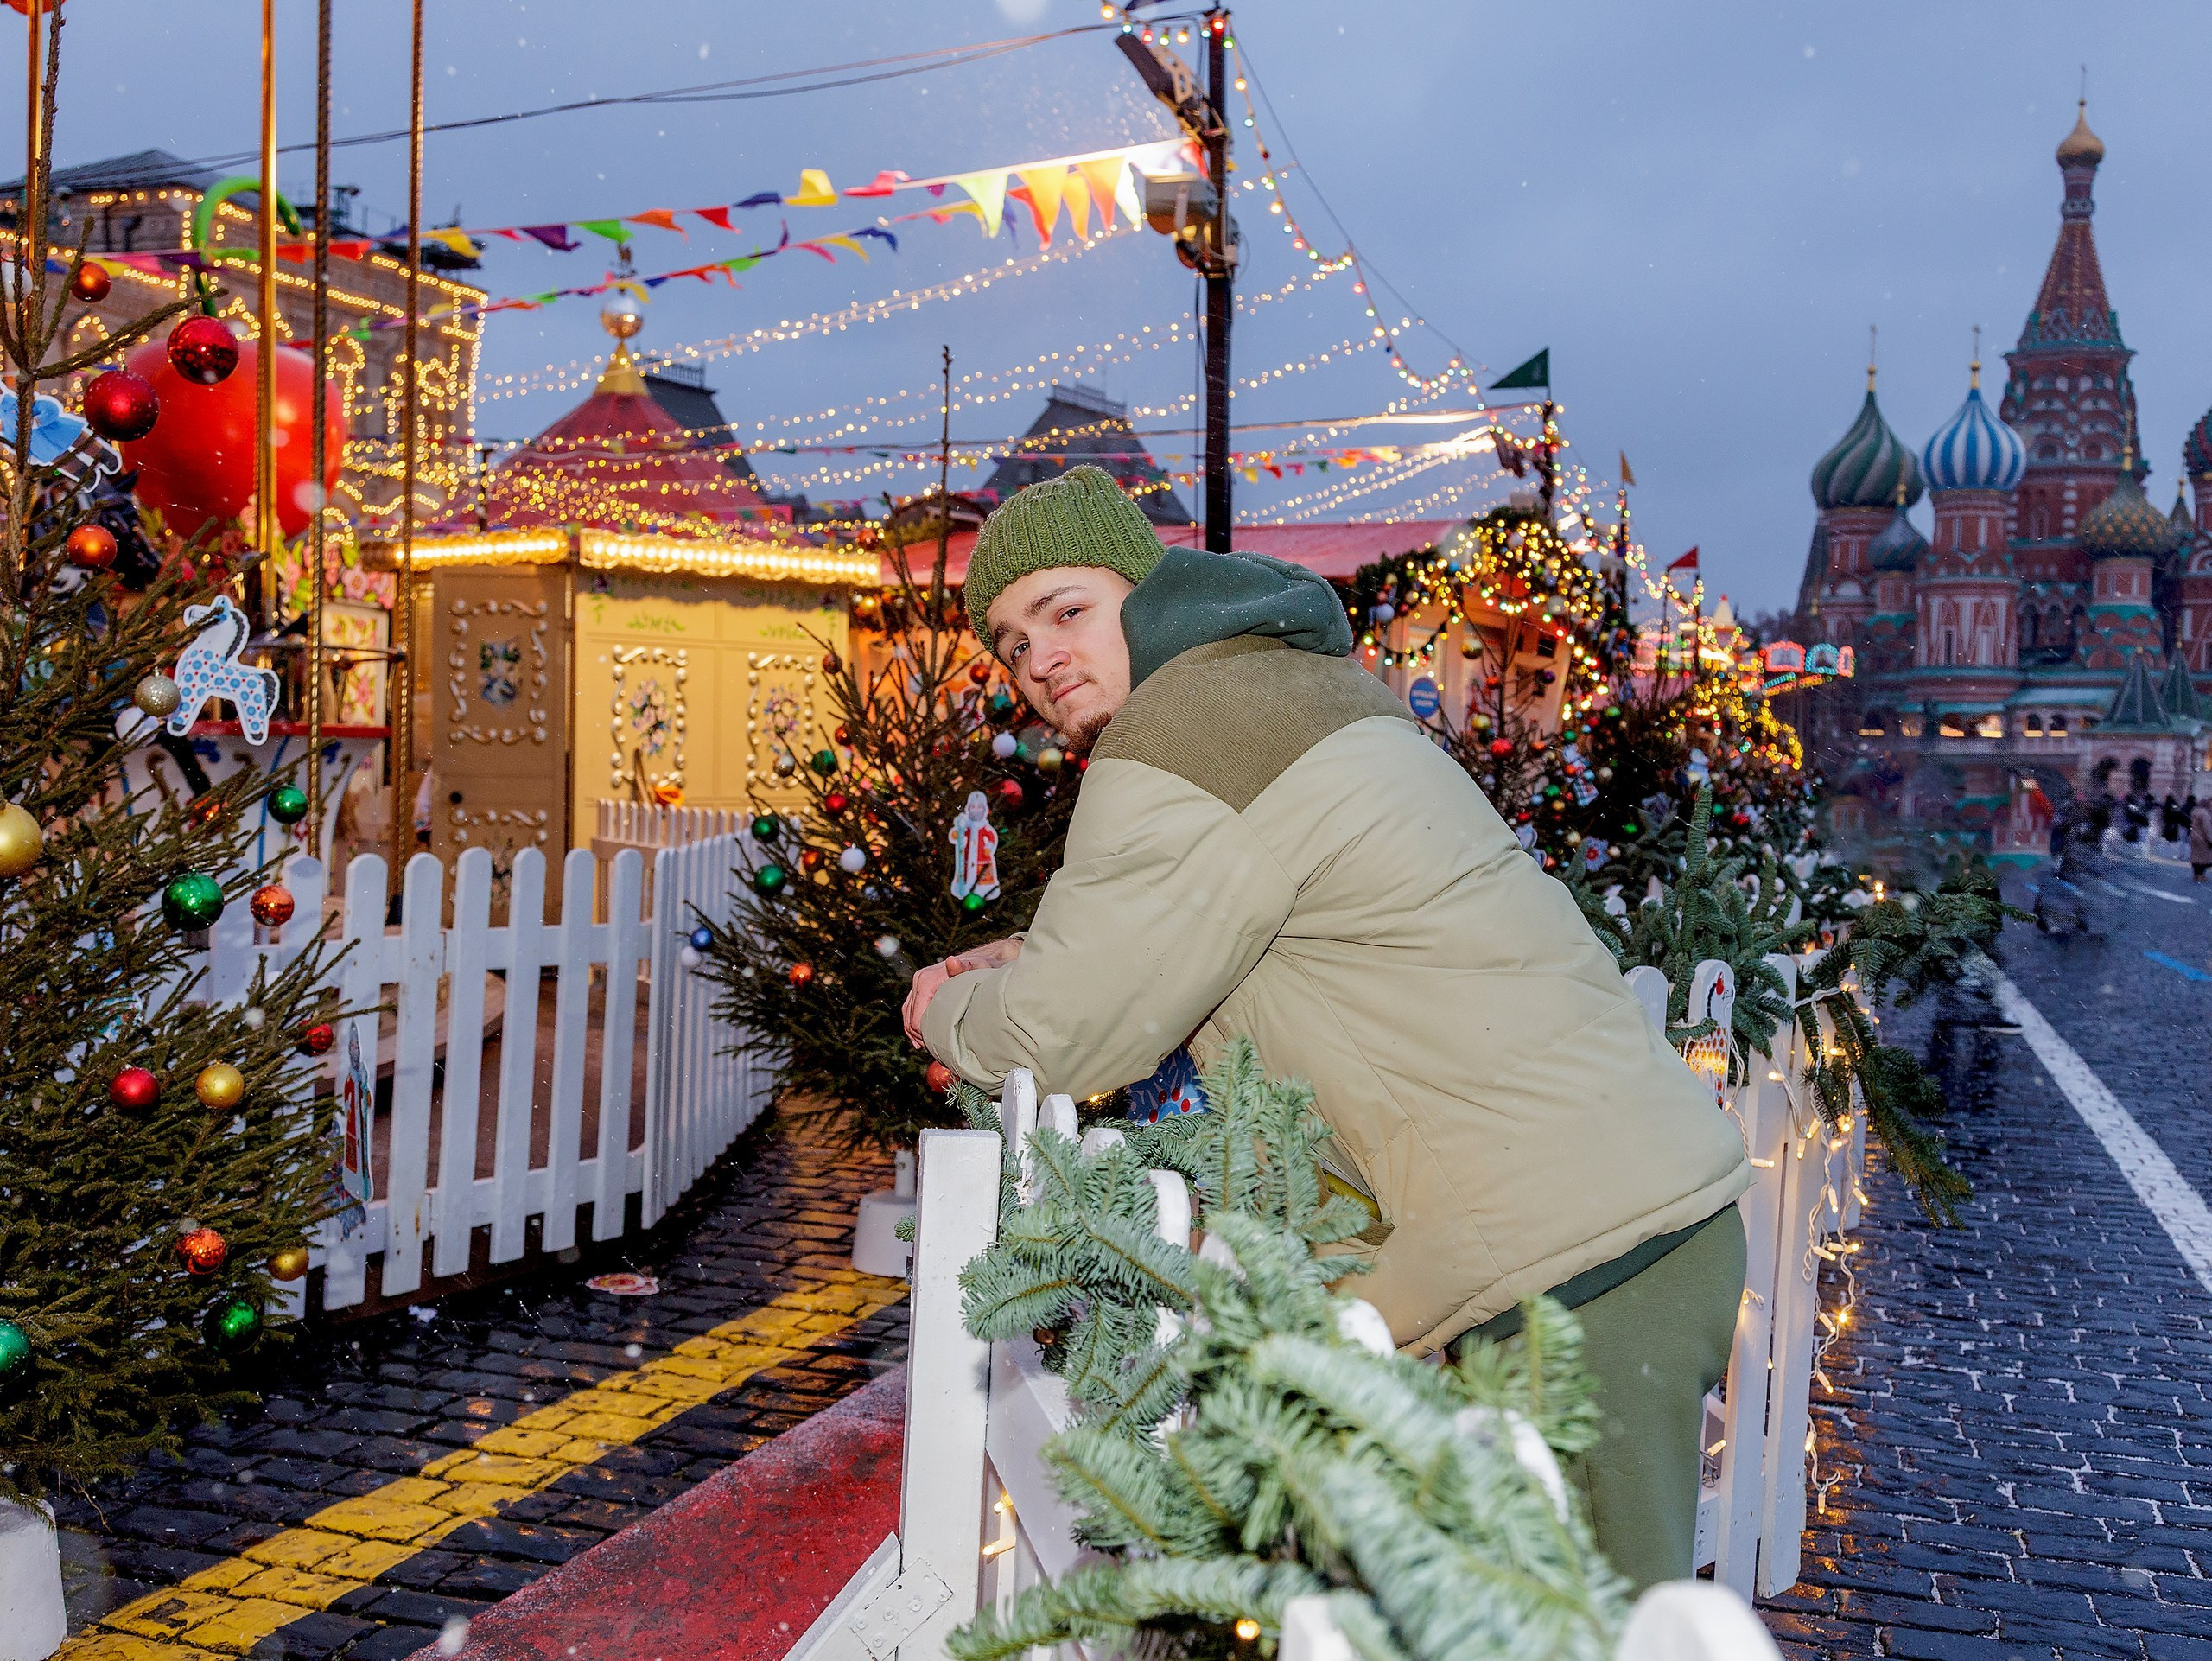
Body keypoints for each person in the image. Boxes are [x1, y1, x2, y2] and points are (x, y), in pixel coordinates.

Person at [902, 466, 1751, 1588]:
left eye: (1067, 610)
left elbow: (1069, 1035)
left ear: (1151, 591)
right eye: (1011, 642)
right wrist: (1041, 965)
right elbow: (1207, 938)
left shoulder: (1185, 731)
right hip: (1600, 1238)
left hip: (1574, 1276)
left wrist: (941, 1001)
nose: (1039, 658)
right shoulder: (1279, 684)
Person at [2191, 793, 2212, 882]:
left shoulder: (2195, 811)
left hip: (2194, 836)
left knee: (2195, 857)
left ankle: (2195, 875)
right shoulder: (2205, 814)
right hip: (2203, 838)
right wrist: (2210, 840)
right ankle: (2201, 876)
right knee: (2203, 858)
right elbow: (2207, 828)